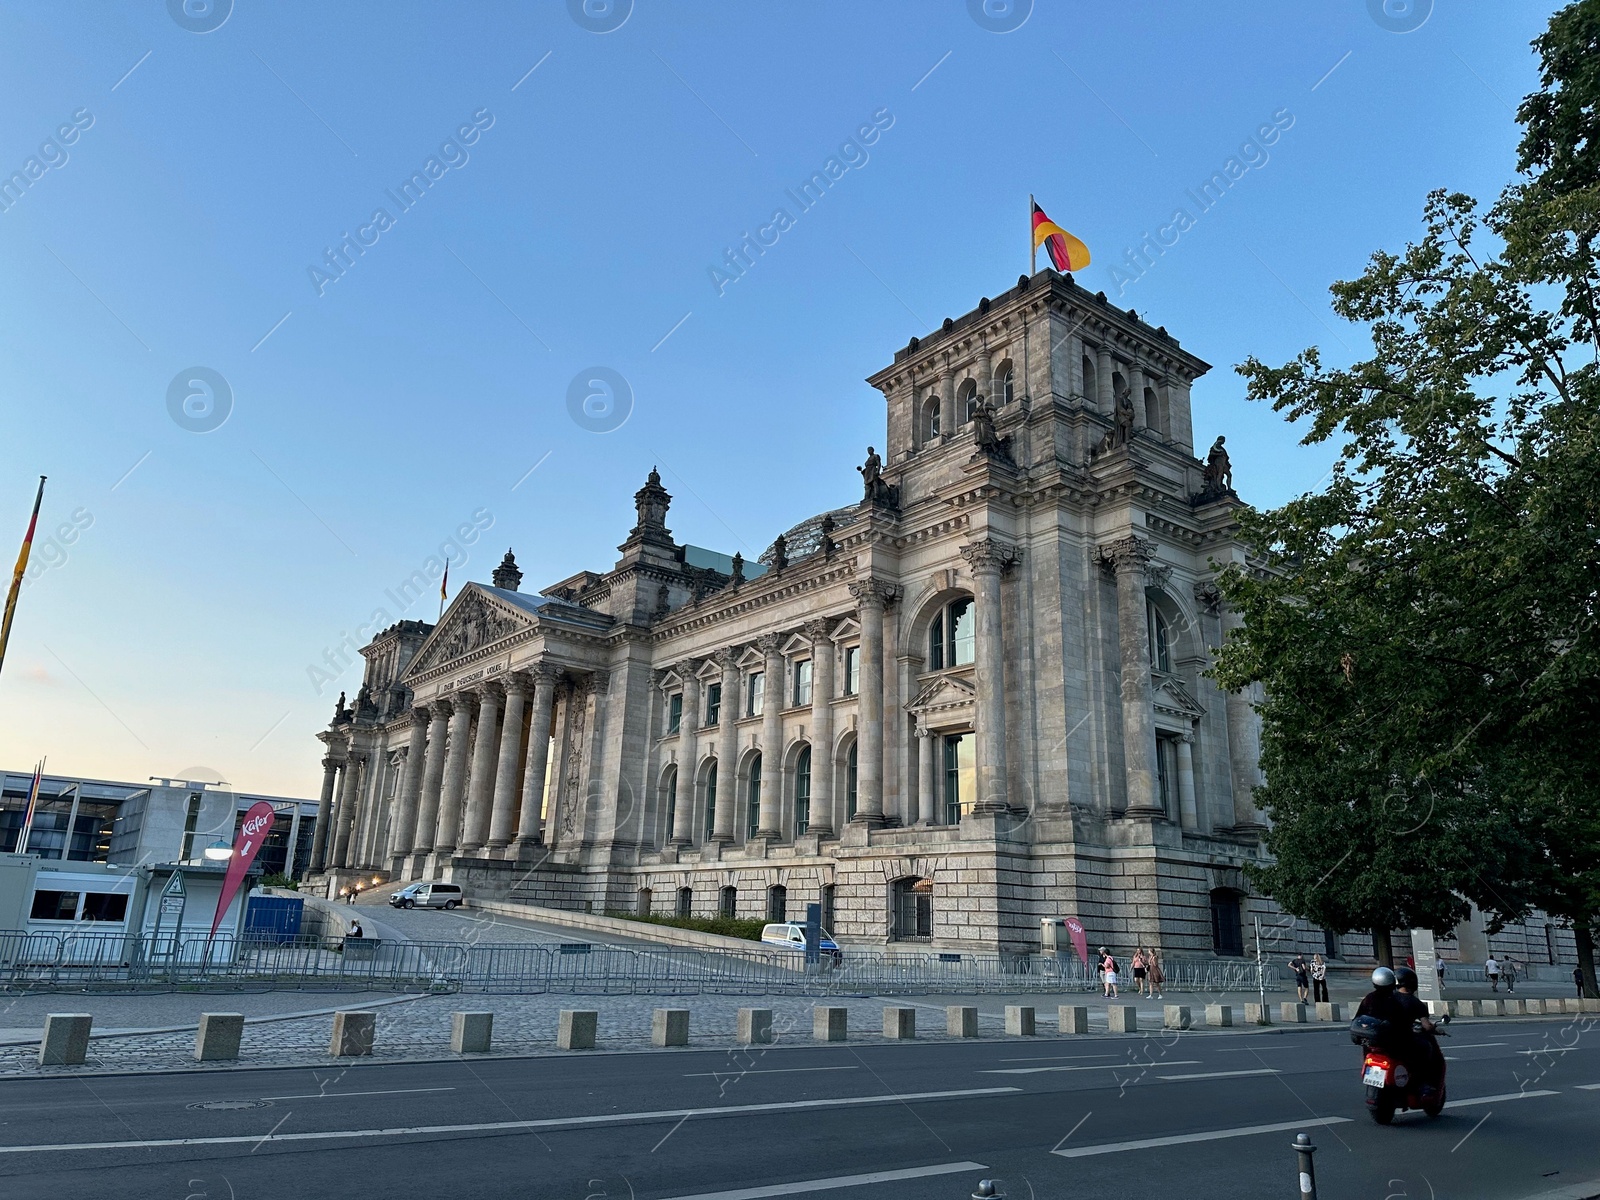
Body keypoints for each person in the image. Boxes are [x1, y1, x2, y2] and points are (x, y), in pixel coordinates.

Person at [1357, 966, 1440, 1096]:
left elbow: (1359, 1018)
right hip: (1394, 1041)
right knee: (1426, 1048)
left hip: (1373, 1042)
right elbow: (1403, 1024)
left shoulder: (1369, 998)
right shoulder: (1400, 1001)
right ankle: (1423, 1084)